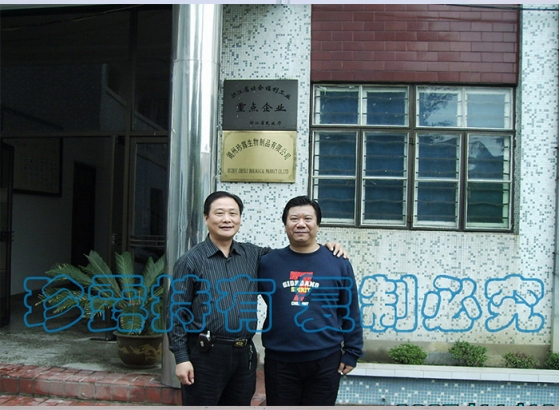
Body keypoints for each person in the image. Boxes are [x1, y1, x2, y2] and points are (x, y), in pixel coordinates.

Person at [167, 191, 347, 406]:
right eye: (219, 213)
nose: (227, 219)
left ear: (240, 219)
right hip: (206, 354)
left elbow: (294, 256)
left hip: (243, 355)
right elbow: (176, 312)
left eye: (233, 213)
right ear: (206, 218)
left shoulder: (254, 255)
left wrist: (325, 249)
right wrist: (181, 358)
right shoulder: (190, 261)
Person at [258, 195, 363, 406]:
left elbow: (350, 308)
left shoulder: (337, 262)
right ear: (285, 225)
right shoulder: (268, 263)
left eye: (307, 218)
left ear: (318, 224)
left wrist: (353, 351)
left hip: (325, 360)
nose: (301, 224)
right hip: (280, 360)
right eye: (294, 219)